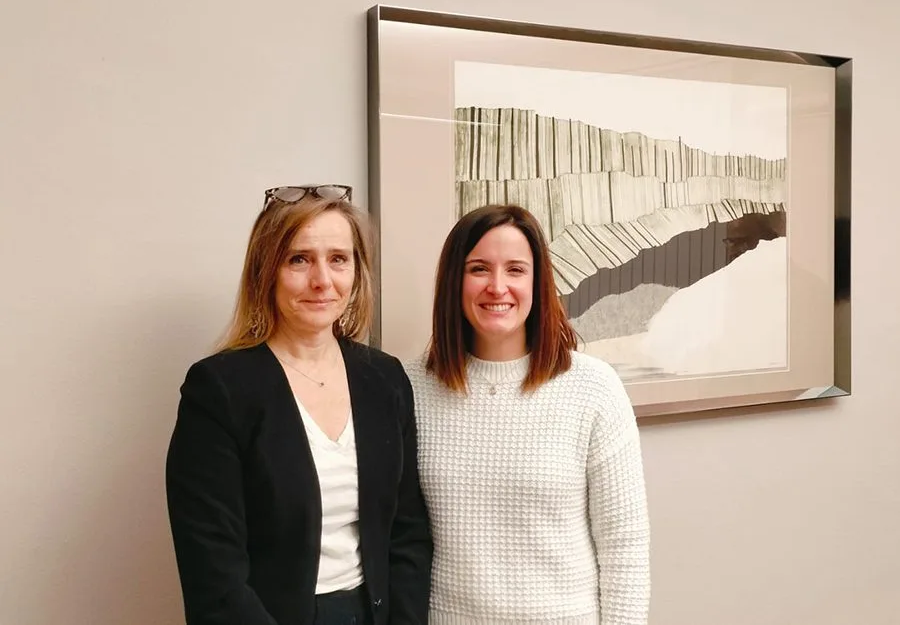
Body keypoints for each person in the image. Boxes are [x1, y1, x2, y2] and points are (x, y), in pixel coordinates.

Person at [166, 184, 433, 625]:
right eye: (299, 259)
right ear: (266, 271)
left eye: (338, 259)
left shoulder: (384, 378)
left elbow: (407, 534)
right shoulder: (219, 389)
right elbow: (212, 571)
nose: (322, 280)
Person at [404, 204, 651, 625]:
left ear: (538, 282)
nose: (497, 287)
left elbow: (624, 545)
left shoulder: (594, 388)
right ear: (454, 281)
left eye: (516, 270)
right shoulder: (409, 388)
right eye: (479, 269)